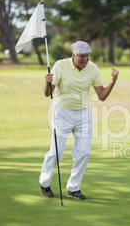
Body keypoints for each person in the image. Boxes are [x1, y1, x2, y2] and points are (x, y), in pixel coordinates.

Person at [39, 41, 119, 200]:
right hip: (61, 113)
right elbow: (48, 94)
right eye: (82, 56)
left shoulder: (93, 68)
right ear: (74, 55)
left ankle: (73, 187)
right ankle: (45, 182)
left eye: (87, 55)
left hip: (83, 115)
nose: (85, 59)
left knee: (84, 152)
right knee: (56, 153)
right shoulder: (60, 65)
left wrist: (113, 81)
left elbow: (102, 96)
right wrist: (47, 82)